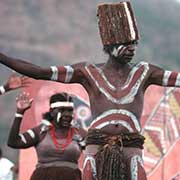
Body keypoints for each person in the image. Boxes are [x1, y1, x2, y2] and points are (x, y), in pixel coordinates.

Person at [0, 1, 179, 179]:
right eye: (125, 43)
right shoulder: (88, 72)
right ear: (110, 46)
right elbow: (40, 72)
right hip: (97, 147)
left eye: (134, 43)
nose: (131, 48)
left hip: (131, 147)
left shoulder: (145, 72)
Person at [7, 91, 86, 180]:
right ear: (52, 112)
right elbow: (14, 142)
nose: (67, 115)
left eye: (70, 110)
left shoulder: (79, 133)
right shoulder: (41, 131)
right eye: (62, 110)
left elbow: (96, 154)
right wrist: (19, 113)